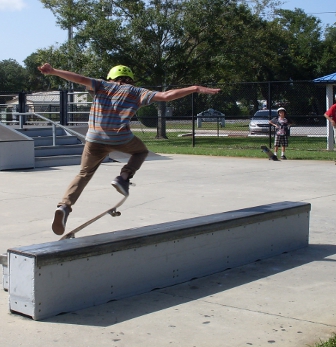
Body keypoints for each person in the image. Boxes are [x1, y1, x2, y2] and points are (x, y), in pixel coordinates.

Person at [38, 63, 220, 235]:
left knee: (84, 174)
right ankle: (123, 177)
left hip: (94, 138)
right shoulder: (137, 92)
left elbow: (79, 78)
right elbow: (166, 96)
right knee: (141, 152)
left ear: (111, 77)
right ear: (129, 79)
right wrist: (194, 88)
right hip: (120, 138)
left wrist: (53, 71)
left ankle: (64, 206)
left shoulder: (101, 85)